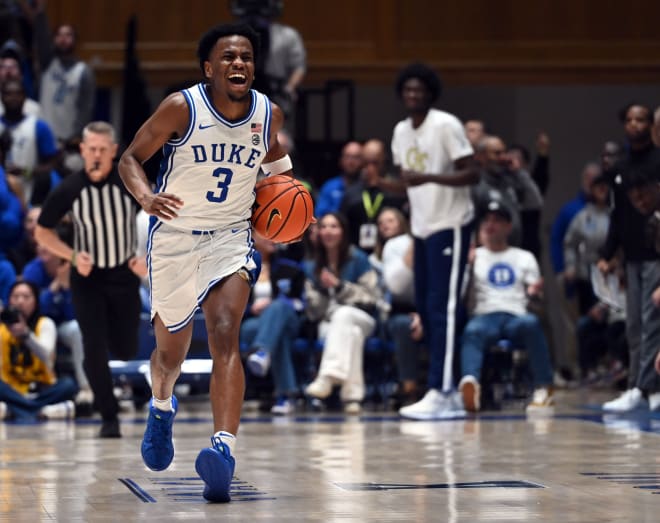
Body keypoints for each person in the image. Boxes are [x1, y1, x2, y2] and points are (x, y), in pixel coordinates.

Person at [118, 23, 295, 503]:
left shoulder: (267, 114)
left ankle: (223, 449)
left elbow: (278, 171)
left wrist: (288, 204)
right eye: (229, 57)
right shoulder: (182, 107)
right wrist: (146, 196)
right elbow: (130, 158)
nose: (239, 64)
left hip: (230, 238)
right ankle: (161, 405)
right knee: (170, 357)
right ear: (209, 68)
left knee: (224, 331)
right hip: (174, 238)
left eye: (246, 57)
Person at [34, 121, 142, 437]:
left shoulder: (129, 184)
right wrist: (70, 256)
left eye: (101, 150)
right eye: (90, 149)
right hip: (88, 277)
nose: (95, 155)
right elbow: (42, 231)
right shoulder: (69, 189)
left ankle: (110, 345)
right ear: (82, 151)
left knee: (125, 348)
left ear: (113, 151)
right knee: (92, 347)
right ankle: (109, 417)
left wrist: (145, 259)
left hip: (124, 274)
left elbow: (158, 217)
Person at [389, 63, 479, 420]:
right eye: (408, 90)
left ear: (431, 93)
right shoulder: (400, 131)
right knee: (427, 310)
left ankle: (442, 390)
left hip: (452, 224)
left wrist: (426, 176)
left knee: (446, 309)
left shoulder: (446, 124)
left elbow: (472, 172)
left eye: (420, 90)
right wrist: (383, 185)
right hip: (422, 227)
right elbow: (409, 182)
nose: (414, 95)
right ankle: (447, 389)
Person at [458, 201, 555, 414]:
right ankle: (470, 384)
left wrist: (535, 293)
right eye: (488, 220)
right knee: (472, 331)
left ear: (508, 227)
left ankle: (543, 386)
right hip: (484, 315)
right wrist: (467, 266)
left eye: (498, 220)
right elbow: (461, 297)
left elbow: (536, 298)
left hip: (515, 314)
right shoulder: (474, 256)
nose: (492, 224)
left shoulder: (523, 257)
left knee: (532, 323)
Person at [597, 104, 660, 413]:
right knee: (633, 323)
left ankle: (647, 385)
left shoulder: (658, 160)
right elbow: (617, 216)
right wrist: (608, 254)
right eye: (631, 119)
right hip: (632, 256)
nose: (636, 124)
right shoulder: (619, 168)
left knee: (652, 322)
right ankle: (637, 383)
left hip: (656, 253)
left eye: (642, 119)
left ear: (650, 125)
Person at [303, 212, 382, 414]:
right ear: (318, 232)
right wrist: (321, 290)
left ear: (344, 232)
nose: (328, 231)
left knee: (344, 314)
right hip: (329, 324)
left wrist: (339, 287)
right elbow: (313, 310)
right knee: (350, 332)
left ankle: (326, 378)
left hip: (363, 318)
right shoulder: (312, 266)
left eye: (334, 226)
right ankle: (352, 397)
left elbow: (371, 297)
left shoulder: (359, 259)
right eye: (324, 227)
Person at [241, 233, 306, 415]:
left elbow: (302, 303)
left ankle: (262, 351)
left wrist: (275, 305)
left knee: (278, 306)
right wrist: (251, 309)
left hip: (289, 319)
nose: (273, 238)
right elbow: (231, 305)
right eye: (266, 234)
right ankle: (286, 394)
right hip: (254, 322)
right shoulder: (242, 269)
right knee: (277, 335)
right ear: (252, 236)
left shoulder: (289, 267)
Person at [0, 280, 78, 421]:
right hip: (11, 389)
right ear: (9, 300)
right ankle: (42, 410)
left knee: (68, 384)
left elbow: (46, 356)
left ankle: (15, 410)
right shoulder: (1, 327)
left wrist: (26, 335)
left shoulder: (45, 323)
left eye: (26, 297)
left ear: (35, 301)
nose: (20, 301)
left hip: (42, 388)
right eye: (15, 296)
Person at [33, 6, 95, 144]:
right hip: (44, 133)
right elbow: (41, 39)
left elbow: (85, 108)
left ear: (75, 40)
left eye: (68, 35)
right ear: (54, 39)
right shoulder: (47, 63)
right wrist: (40, 13)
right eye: (59, 35)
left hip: (69, 137)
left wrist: (77, 134)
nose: (63, 39)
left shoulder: (83, 71)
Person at [0, 78, 60, 207]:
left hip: (29, 195)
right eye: (8, 94)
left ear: (25, 98)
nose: (13, 98)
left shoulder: (38, 126)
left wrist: (26, 171)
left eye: (18, 94)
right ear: (2, 97)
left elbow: (53, 163)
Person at [340, 139, 407, 253]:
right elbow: (344, 226)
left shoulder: (397, 191)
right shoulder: (351, 192)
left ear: (384, 162)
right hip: (358, 253)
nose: (370, 168)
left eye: (375, 163)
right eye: (366, 163)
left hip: (393, 252)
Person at [314, 141, 363, 218]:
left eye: (356, 157)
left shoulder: (366, 187)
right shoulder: (329, 186)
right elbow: (320, 215)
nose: (351, 161)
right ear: (341, 160)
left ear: (363, 161)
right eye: (347, 157)